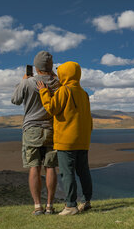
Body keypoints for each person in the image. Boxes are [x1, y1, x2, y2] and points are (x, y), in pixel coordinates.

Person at [36, 61, 93, 216]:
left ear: (65, 74)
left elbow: (52, 108)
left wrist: (43, 92)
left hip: (66, 140)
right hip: (83, 140)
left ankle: (70, 206)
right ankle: (87, 201)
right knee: (83, 171)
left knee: (67, 173)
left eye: (61, 72)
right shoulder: (84, 93)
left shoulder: (64, 91)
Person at [11, 51, 60, 215]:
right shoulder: (57, 83)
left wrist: (23, 80)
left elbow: (15, 100)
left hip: (31, 129)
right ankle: (50, 206)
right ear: (51, 66)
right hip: (52, 130)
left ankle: (37, 206)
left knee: (34, 167)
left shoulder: (29, 82)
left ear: (36, 66)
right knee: (51, 167)